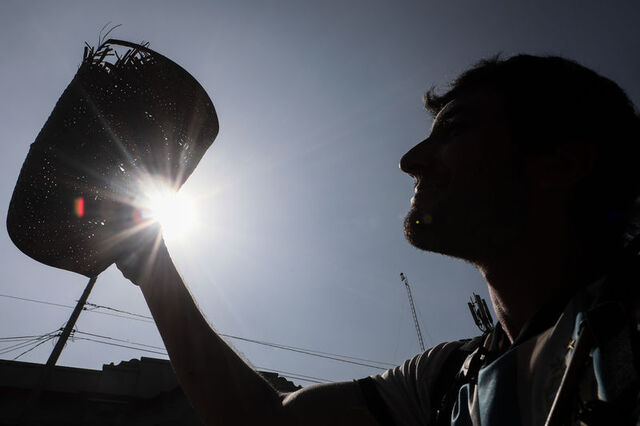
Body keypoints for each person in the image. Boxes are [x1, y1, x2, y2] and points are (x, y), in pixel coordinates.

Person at [117, 55, 640, 425]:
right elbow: (262, 419)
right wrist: (151, 265)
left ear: (562, 163)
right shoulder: (443, 379)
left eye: (455, 130)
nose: (410, 160)